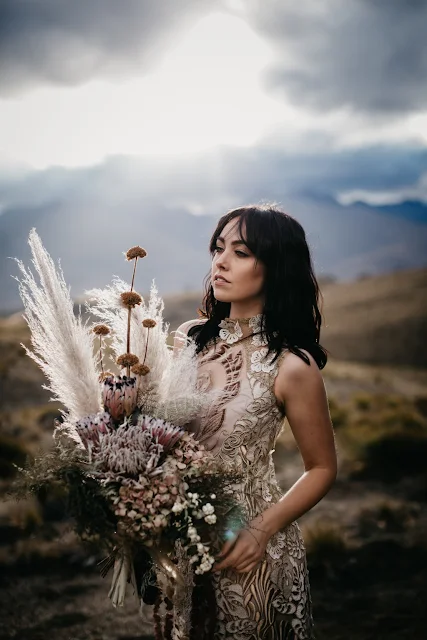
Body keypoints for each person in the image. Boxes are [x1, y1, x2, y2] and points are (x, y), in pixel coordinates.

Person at [171, 204, 337, 639]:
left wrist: (261, 530)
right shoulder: (188, 339)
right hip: (182, 542)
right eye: (218, 247)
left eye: (241, 252)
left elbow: (322, 468)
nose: (220, 262)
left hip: (252, 549)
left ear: (276, 266)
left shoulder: (292, 365)